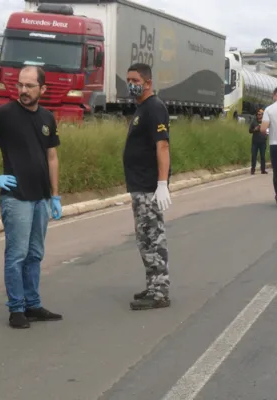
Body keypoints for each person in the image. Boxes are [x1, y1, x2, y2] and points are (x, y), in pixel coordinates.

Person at [0, 66, 63, 329]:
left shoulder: (47, 117)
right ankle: (16, 309)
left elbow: (52, 157)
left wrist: (55, 195)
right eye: (20, 85)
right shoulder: (4, 114)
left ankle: (33, 304)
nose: (23, 90)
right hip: (16, 197)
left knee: (35, 254)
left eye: (30, 86)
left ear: (42, 89)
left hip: (41, 197)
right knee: (17, 254)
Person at [122, 63, 172, 311]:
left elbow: (162, 146)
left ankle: (160, 291)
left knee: (153, 238)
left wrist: (162, 184)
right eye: (128, 78)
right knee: (144, 239)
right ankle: (153, 285)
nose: (130, 83)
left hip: (149, 186)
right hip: (139, 186)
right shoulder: (142, 108)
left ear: (148, 83)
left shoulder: (154, 108)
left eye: (135, 79)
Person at [248, 108, 268, 175]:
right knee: (254, 156)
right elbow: (250, 131)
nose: (259, 115)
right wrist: (255, 129)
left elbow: (268, 130)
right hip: (255, 142)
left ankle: (263, 170)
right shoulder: (254, 122)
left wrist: (266, 134)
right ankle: (252, 170)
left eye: (260, 114)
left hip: (263, 142)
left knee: (262, 156)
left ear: (262, 115)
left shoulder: (265, 122)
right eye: (258, 114)